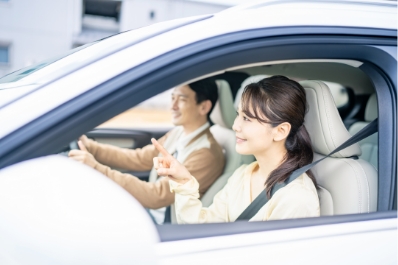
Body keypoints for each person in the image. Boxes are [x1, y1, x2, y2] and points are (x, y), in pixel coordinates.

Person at [151, 75, 320, 223]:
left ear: (280, 131)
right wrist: (184, 181)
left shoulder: (296, 198)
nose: (235, 125)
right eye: (238, 114)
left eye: (246, 118)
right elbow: (207, 227)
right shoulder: (243, 175)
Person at [69, 79, 225, 224]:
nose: (173, 106)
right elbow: (139, 158)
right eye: (172, 98)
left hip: (162, 224)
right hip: (148, 213)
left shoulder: (206, 154)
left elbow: (156, 195)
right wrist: (90, 147)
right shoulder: (177, 133)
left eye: (182, 100)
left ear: (204, 107)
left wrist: (96, 168)